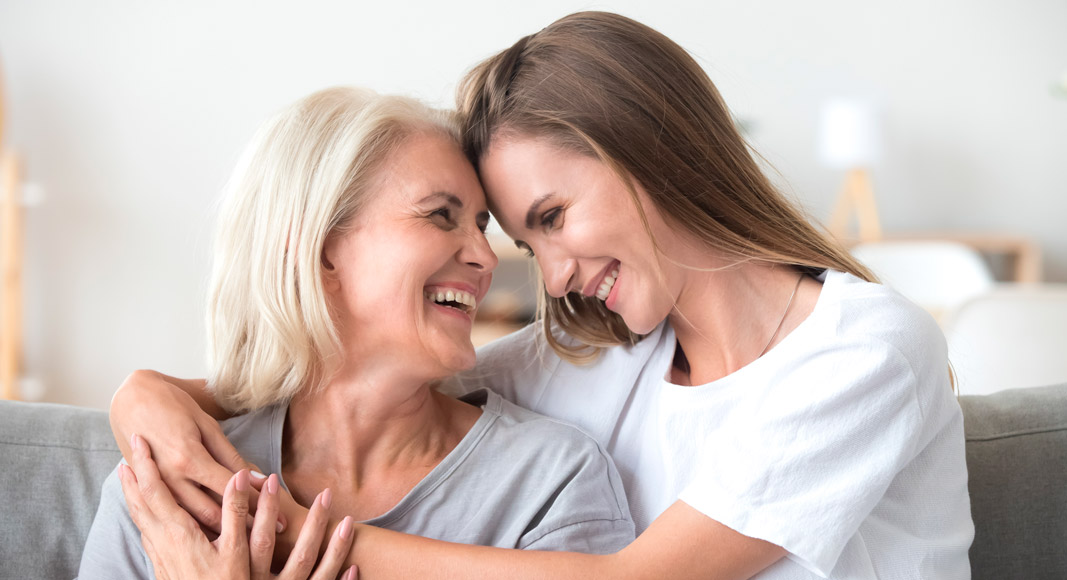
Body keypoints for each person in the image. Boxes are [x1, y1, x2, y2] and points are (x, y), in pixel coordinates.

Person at [109, 12, 974, 580]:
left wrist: (303, 534)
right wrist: (149, 393)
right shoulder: (603, 359)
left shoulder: (863, 349)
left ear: (651, 149)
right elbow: (364, 372)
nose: (548, 276)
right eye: (529, 240)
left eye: (553, 215)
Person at [78, 86, 635, 579]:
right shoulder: (170, 487)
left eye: (483, 226)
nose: (486, 257)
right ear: (321, 251)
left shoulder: (549, 483)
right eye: (442, 215)